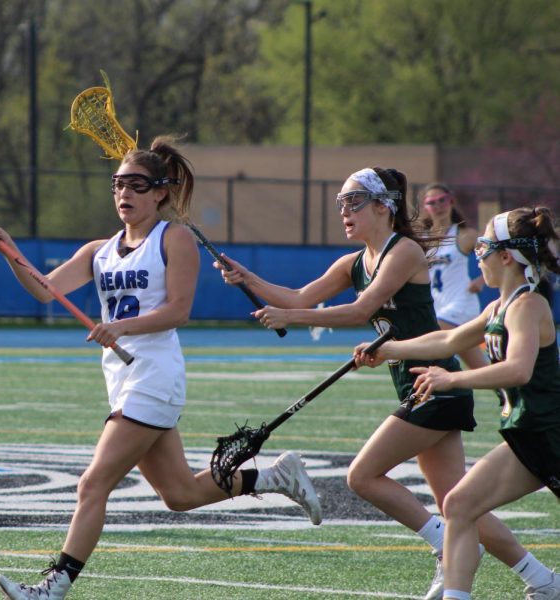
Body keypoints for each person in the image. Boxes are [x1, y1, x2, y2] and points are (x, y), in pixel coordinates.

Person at [0, 137, 321, 600]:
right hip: (122, 380)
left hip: (154, 376)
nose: (124, 193)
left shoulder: (173, 238)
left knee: (92, 483)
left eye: (136, 185)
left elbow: (179, 311)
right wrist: (11, 251)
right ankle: (274, 476)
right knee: (180, 495)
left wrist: (119, 327)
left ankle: (53, 586)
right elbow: (44, 291)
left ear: (160, 192)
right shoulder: (98, 250)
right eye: (118, 184)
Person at [214, 167, 525, 600]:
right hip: (416, 386)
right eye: (341, 201)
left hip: (434, 385)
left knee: (362, 477)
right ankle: (543, 580)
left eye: (354, 200)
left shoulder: (404, 253)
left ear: (384, 206)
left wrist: (290, 319)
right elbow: (301, 296)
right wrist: (248, 278)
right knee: (460, 504)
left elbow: (360, 311)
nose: (345, 210)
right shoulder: (354, 262)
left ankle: (442, 546)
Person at [356, 206, 560, 600]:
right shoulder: (498, 308)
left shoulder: (527, 307)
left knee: (459, 503)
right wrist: (386, 349)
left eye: (483, 245)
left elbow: (518, 370)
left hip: (551, 432)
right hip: (529, 434)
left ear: (506, 256)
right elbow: (447, 341)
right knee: (460, 504)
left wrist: (451, 378)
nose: (477, 253)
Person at [420, 183, 488, 370]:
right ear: (426, 207)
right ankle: (504, 390)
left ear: (451, 201)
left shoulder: (464, 236)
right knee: (476, 365)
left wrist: (482, 280)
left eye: (442, 200)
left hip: (461, 303)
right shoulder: (422, 240)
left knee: (433, 337)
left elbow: (497, 253)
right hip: (437, 305)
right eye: (432, 202)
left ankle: (448, 385)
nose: (438, 206)